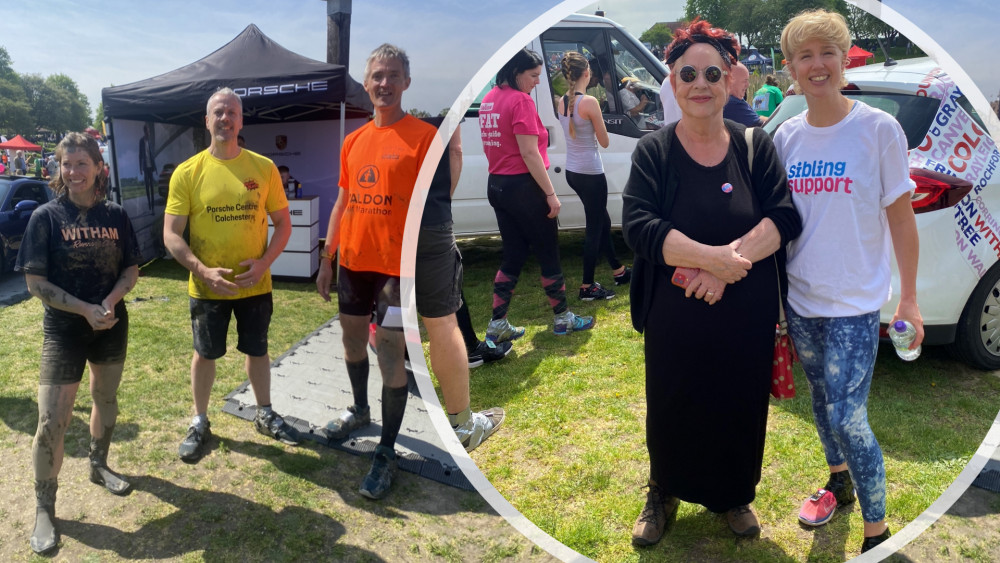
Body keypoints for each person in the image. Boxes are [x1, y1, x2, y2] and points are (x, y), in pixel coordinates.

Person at [622, 18, 801, 545]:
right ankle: (663, 489)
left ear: (730, 80)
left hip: (745, 306)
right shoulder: (653, 150)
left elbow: (784, 217)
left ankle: (734, 494)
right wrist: (707, 262)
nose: (700, 83)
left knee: (739, 399)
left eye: (712, 73)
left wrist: (729, 265)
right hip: (673, 310)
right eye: (688, 73)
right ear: (673, 83)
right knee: (674, 399)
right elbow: (640, 226)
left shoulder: (754, 145)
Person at [774, 9, 922, 554]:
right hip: (801, 300)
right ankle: (839, 481)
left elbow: (902, 219)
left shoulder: (878, 129)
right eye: (805, 56)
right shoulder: (786, 136)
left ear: (844, 59)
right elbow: (777, 225)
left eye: (827, 53)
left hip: (855, 303)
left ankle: (876, 534)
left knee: (849, 416)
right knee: (819, 401)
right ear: (790, 68)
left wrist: (908, 297)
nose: (817, 65)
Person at [316, 44, 437, 500]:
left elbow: (434, 210)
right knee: (350, 340)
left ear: (406, 82)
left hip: (396, 272)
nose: (383, 83)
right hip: (353, 264)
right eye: (376, 76)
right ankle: (360, 409)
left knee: (388, 353)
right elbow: (344, 202)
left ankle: (385, 450)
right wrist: (327, 259)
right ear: (366, 84)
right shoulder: (354, 140)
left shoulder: (424, 138)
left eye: (392, 75)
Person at [16, 132, 142, 554]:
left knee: (106, 401)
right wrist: (83, 308)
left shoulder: (117, 215)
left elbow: (130, 269)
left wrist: (107, 302)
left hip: (110, 324)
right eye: (66, 165)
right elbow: (35, 283)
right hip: (64, 332)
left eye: (81, 164)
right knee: (51, 420)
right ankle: (44, 508)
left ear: (98, 168)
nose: (73, 173)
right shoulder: (46, 218)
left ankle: (98, 464)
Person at [164, 87, 298, 463]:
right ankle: (200, 420)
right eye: (218, 113)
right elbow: (171, 234)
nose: (225, 119)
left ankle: (264, 412)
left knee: (257, 350)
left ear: (242, 120)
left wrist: (264, 263)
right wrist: (202, 270)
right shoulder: (187, 173)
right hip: (207, 288)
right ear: (206, 121)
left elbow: (283, 225)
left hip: (254, 284)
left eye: (232, 113)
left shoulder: (264, 168)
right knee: (205, 354)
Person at [479, 48, 594, 341]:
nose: (537, 82)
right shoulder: (520, 101)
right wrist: (551, 194)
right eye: (533, 76)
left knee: (513, 254)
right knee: (548, 252)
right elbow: (529, 153)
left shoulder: (489, 99)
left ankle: (497, 323)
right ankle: (563, 319)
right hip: (524, 187)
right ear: (516, 72)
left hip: (497, 184)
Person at [416, 119, 507, 451]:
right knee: (442, 324)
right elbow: (455, 151)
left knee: (391, 324)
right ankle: (463, 425)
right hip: (429, 218)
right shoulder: (444, 99)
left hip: (385, 219)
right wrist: (442, 201)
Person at [556, 51, 630, 301]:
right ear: (587, 73)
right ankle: (587, 286)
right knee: (595, 227)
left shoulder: (561, 101)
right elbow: (605, 141)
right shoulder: (589, 102)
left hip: (573, 171)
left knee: (602, 220)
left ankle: (618, 271)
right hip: (590, 172)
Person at [723, 62, 765, 127]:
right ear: (730, 81)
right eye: (745, 81)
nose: (748, 85)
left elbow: (758, 118)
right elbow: (762, 125)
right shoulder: (732, 103)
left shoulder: (730, 100)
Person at [139, 123, 157, 211]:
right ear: (145, 131)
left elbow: (152, 155)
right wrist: (140, 168)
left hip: (150, 167)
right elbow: (140, 155)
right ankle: (149, 204)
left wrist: (155, 168)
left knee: (152, 187)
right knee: (147, 186)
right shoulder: (141, 141)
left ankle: (152, 207)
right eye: (147, 131)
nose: (148, 132)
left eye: (149, 131)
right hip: (145, 167)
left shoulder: (149, 141)